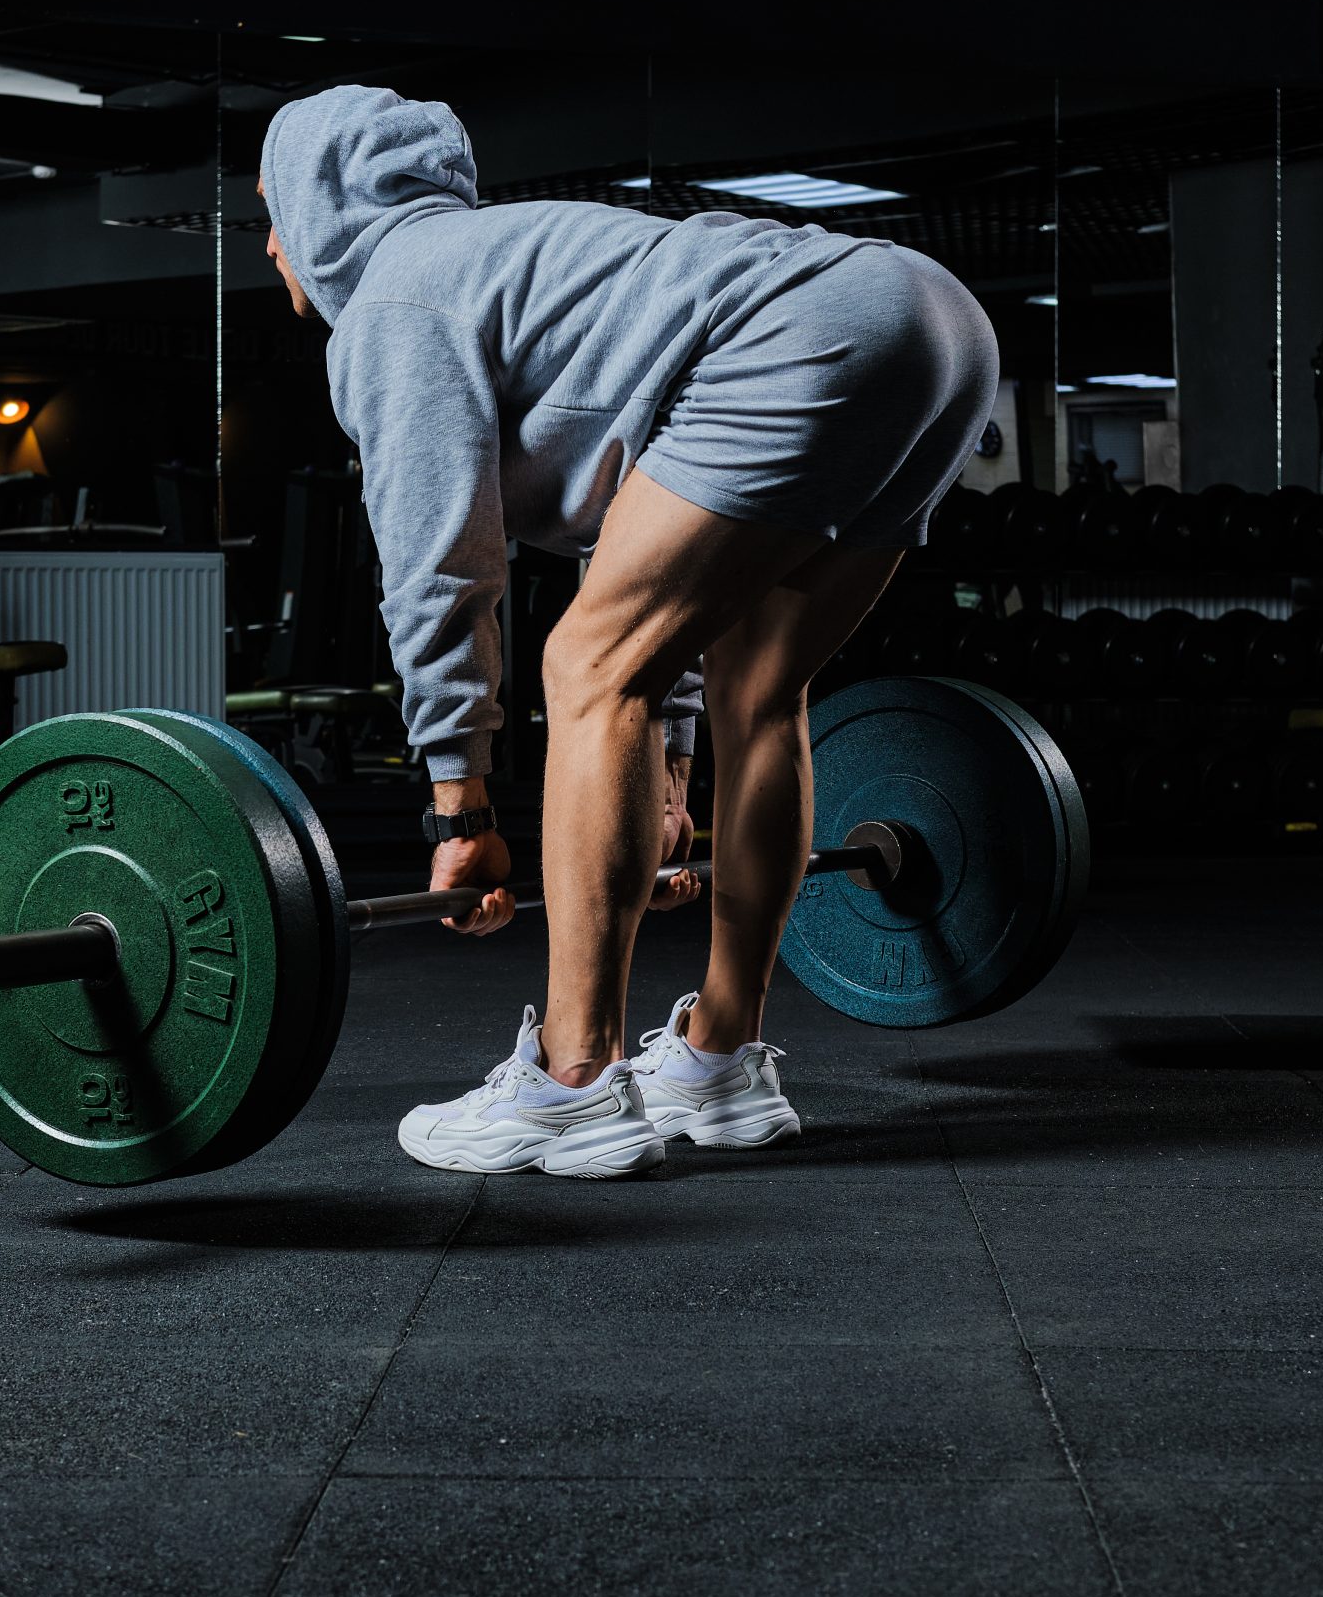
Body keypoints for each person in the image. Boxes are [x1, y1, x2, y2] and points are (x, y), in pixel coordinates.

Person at [258, 84, 999, 1177]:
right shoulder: (516, 265)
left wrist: (457, 801)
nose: (271, 242)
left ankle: (571, 1081)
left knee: (586, 664)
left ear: (318, 208)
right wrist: (668, 776)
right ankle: (721, 1061)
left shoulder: (397, 306)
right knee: (762, 691)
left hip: (819, 326)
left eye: (273, 209)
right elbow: (647, 539)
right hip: (941, 326)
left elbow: (439, 571)